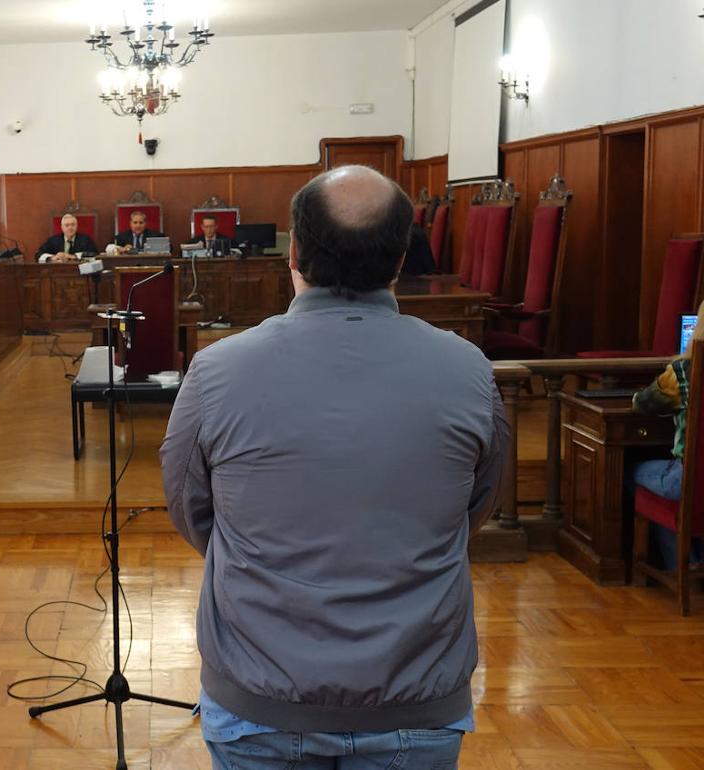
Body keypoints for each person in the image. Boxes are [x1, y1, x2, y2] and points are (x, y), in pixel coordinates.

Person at [160, 165, 508, 770]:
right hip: (414, 696)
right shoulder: (469, 370)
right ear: (401, 258)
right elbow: (479, 505)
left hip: (261, 695)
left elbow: (192, 512)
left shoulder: (216, 370)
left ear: (292, 252)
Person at [629, 303, 704, 569]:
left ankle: (681, 566)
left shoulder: (684, 372)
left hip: (690, 481)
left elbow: (642, 403)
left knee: (630, 470)